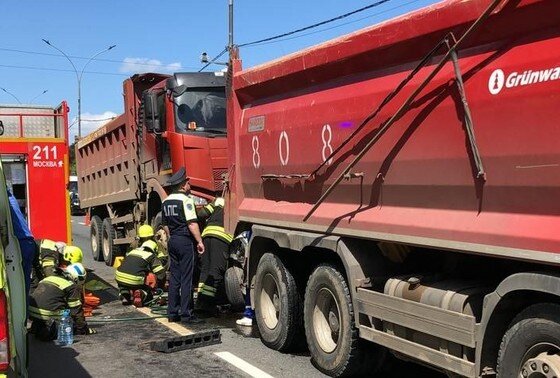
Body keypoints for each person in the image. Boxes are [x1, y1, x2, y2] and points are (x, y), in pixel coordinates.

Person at [162, 167, 205, 324]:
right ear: (182, 185)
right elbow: (192, 223)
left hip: (172, 240)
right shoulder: (186, 201)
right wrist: (199, 241)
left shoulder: (165, 201)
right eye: (187, 182)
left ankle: (172, 313)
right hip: (185, 241)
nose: (189, 184)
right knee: (187, 278)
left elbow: (164, 225)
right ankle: (187, 314)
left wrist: (172, 236)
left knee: (175, 278)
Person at [29, 262, 95, 341]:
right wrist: (82, 328)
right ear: (76, 278)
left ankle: (37, 327)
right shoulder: (71, 286)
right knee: (68, 319)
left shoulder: (49, 277)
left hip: (32, 313)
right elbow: (76, 310)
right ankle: (52, 330)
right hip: (48, 315)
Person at [196, 197, 232, 311]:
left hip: (207, 235)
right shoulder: (238, 202)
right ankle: (207, 305)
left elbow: (202, 214)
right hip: (222, 237)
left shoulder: (219, 200)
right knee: (216, 271)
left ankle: (200, 301)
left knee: (205, 270)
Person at [115, 240, 166, 307]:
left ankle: (124, 295)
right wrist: (160, 286)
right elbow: (160, 273)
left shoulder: (133, 251)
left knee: (124, 286)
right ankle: (141, 293)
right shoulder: (151, 255)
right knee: (147, 293)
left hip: (119, 276)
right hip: (135, 279)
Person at [6, 189, 35, 303]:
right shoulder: (9, 197)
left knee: (17, 289)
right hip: (26, 242)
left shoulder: (5, 198)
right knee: (23, 287)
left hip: (19, 243)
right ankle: (22, 316)